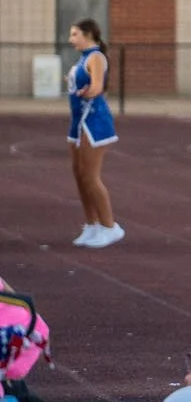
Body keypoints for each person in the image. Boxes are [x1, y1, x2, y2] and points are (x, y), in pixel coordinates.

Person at [65, 18, 122, 248]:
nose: (71, 39)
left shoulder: (96, 57)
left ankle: (110, 227)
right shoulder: (83, 58)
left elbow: (98, 86)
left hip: (94, 121)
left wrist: (88, 91)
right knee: (79, 175)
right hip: (79, 121)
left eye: (74, 34)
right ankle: (92, 224)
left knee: (90, 175)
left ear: (88, 34)